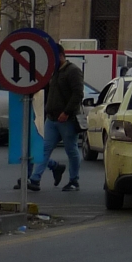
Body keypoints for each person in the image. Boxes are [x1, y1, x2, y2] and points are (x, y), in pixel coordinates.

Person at [24, 57, 84, 193]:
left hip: (67, 119)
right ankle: (35, 179)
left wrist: (67, 112)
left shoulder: (73, 71)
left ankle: (74, 180)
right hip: (51, 118)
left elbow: (78, 93)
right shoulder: (53, 71)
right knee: (43, 149)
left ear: (61, 55)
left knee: (71, 150)